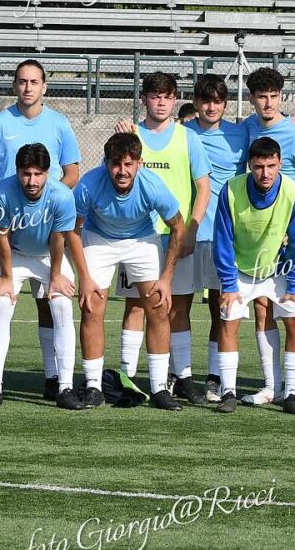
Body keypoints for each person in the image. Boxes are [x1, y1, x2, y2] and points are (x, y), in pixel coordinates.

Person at [0, 60, 81, 400]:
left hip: (48, 237)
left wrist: (44, 203)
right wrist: (14, 206)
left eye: (34, 81)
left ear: (44, 86)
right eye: (22, 81)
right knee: (3, 303)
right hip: (12, 237)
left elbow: (71, 173)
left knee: (58, 304)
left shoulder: (60, 126)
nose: (27, 88)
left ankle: (60, 383)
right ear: (14, 85)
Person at [113, 73, 212, 406]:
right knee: (136, 305)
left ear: (174, 100)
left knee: (178, 307)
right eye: (154, 95)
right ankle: (127, 376)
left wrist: (192, 231)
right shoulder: (130, 136)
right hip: (138, 236)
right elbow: (115, 178)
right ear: (144, 99)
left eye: (167, 96)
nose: (161, 102)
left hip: (176, 236)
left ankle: (181, 376)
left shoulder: (188, 138)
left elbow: (203, 188)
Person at [74, 132, 186, 408]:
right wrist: (85, 278)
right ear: (107, 163)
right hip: (98, 238)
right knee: (91, 307)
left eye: (128, 164)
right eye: (115, 164)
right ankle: (93, 387)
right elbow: (72, 230)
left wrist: (167, 278)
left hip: (141, 239)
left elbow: (178, 226)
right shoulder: (88, 185)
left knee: (158, 307)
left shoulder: (152, 186)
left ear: (139, 164)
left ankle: (160, 388)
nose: (121, 171)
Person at [241, 67, 295, 406]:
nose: (268, 103)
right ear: (252, 99)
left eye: (274, 96)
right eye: (262, 96)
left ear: (281, 97)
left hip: (293, 238)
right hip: (258, 240)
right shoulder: (243, 130)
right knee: (263, 307)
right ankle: (271, 386)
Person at [213, 137, 295, 415]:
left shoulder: (293, 192)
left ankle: (293, 392)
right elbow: (222, 240)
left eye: (271, 166)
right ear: (250, 165)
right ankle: (228, 392)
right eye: (259, 167)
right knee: (229, 320)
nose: (265, 173)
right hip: (240, 270)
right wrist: (229, 285)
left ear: (280, 164)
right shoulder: (231, 190)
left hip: (279, 269)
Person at [0, 144, 83, 409]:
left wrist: (57, 275)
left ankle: (64, 387)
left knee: (60, 304)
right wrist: (4, 276)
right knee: (2, 305)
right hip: (14, 253)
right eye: (26, 173)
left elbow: (59, 239)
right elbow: (3, 236)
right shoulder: (3, 191)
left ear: (48, 173)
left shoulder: (62, 196)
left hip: (48, 255)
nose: (32, 180)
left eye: (38, 174)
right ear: (17, 172)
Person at [182, 75, 248, 402]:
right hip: (187, 230)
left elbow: (270, 136)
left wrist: (291, 121)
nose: (212, 107)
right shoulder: (182, 132)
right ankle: (177, 372)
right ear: (195, 102)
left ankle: (214, 376)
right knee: (175, 305)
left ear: (225, 103)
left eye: (218, 101)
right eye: (206, 100)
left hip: (225, 235)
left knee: (219, 308)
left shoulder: (242, 132)